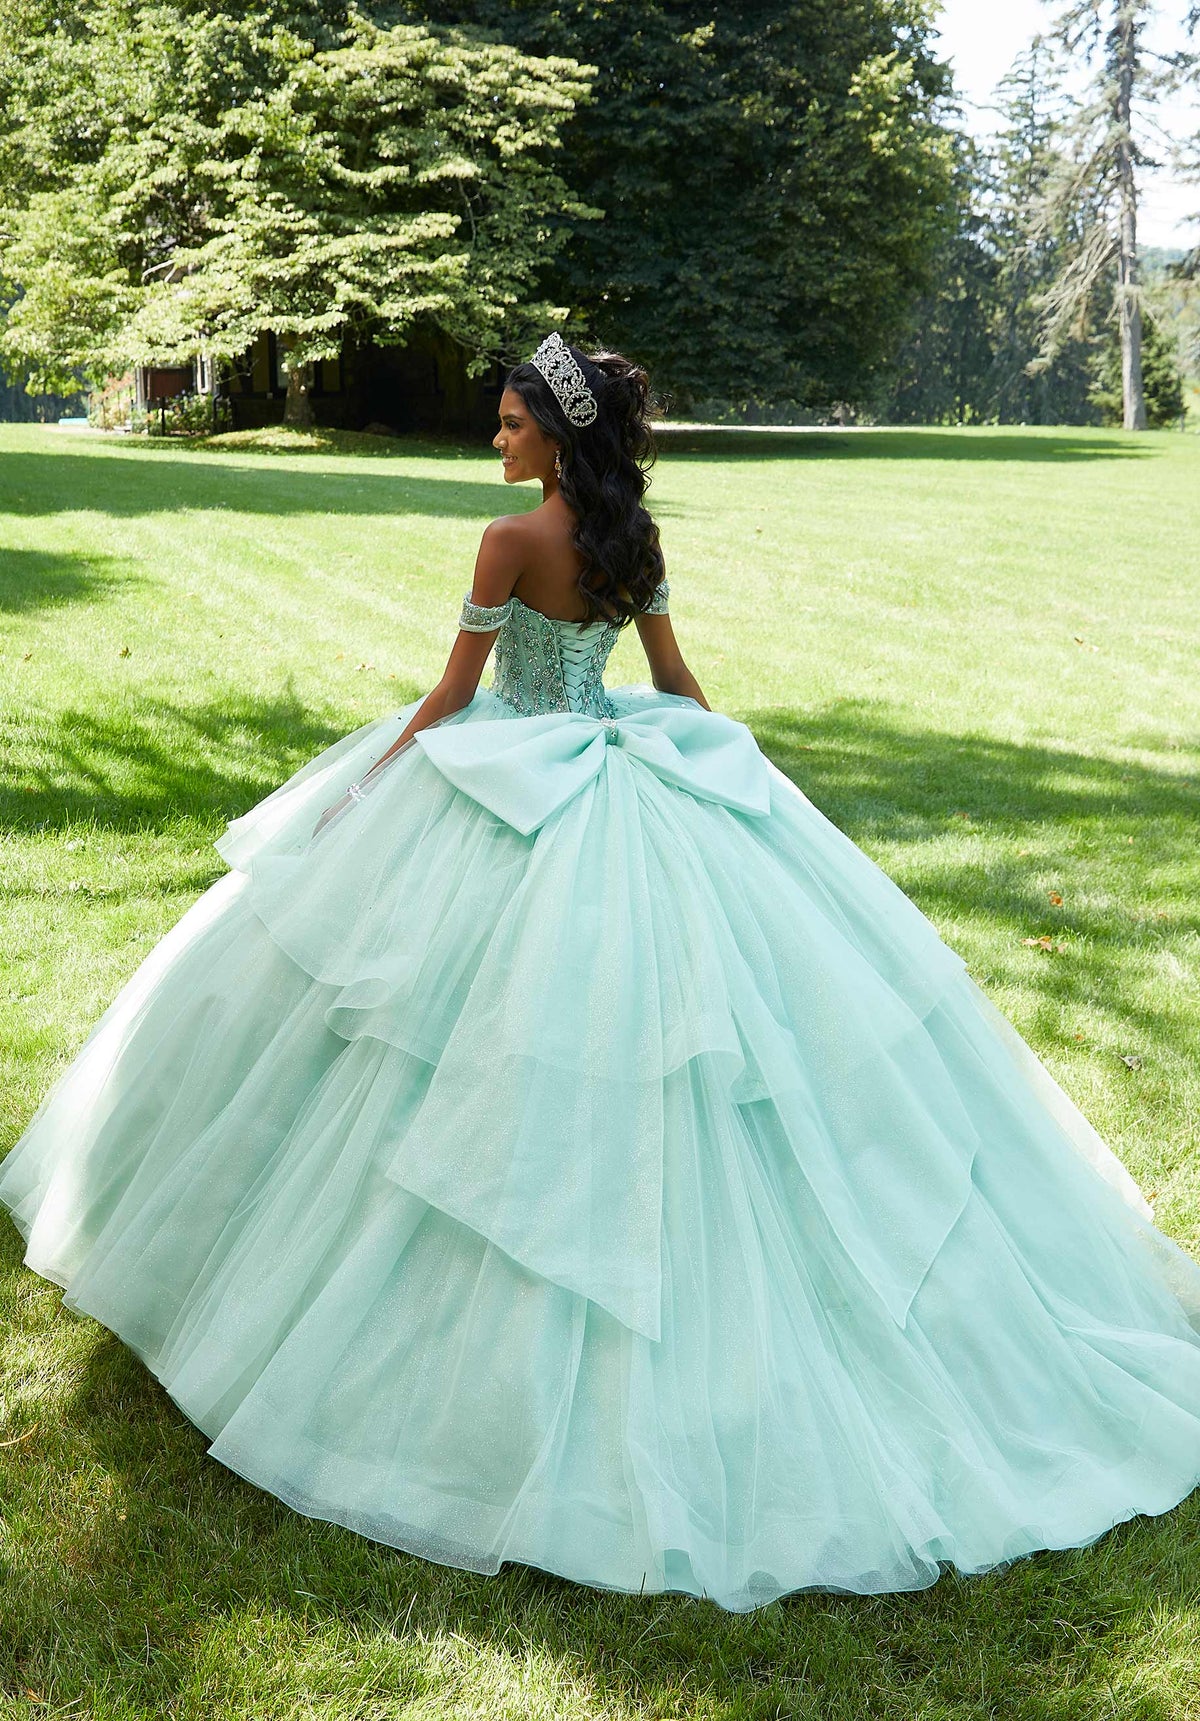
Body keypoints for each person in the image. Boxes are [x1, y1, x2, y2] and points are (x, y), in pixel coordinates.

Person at [3, 333, 1199, 1615]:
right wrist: (738, 772)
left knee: (444, 1029)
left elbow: (456, 698)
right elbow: (671, 680)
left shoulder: (510, 542)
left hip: (519, 775)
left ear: (558, 437)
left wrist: (366, 787)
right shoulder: (634, 539)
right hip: (625, 762)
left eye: (512, 422)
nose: (496, 439)